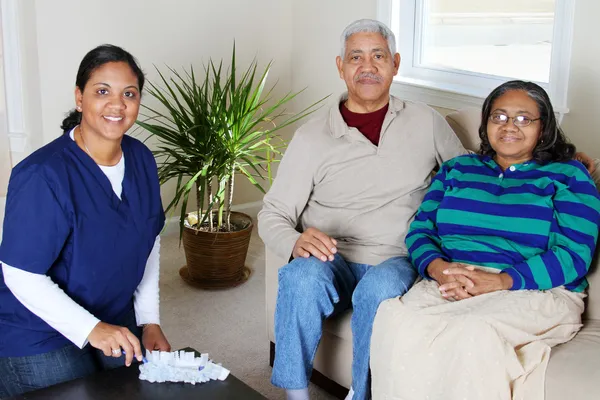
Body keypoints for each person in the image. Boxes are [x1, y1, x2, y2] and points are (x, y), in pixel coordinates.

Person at [370, 80, 600, 400]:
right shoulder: (456, 170)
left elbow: (573, 255)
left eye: (523, 118)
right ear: (486, 124)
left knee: (471, 334)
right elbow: (421, 231)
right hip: (452, 279)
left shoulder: (568, 176)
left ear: (544, 128)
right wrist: (439, 270)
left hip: (536, 289)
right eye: (499, 117)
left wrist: (500, 280)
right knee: (395, 318)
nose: (509, 126)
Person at [0, 44, 170, 397]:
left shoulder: (141, 159)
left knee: (142, 390)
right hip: (37, 329)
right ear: (80, 98)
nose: (117, 104)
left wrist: (149, 321)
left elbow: (149, 241)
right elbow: (21, 274)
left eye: (129, 93)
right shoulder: (41, 174)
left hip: (113, 314)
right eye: (102, 91)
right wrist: (91, 329)